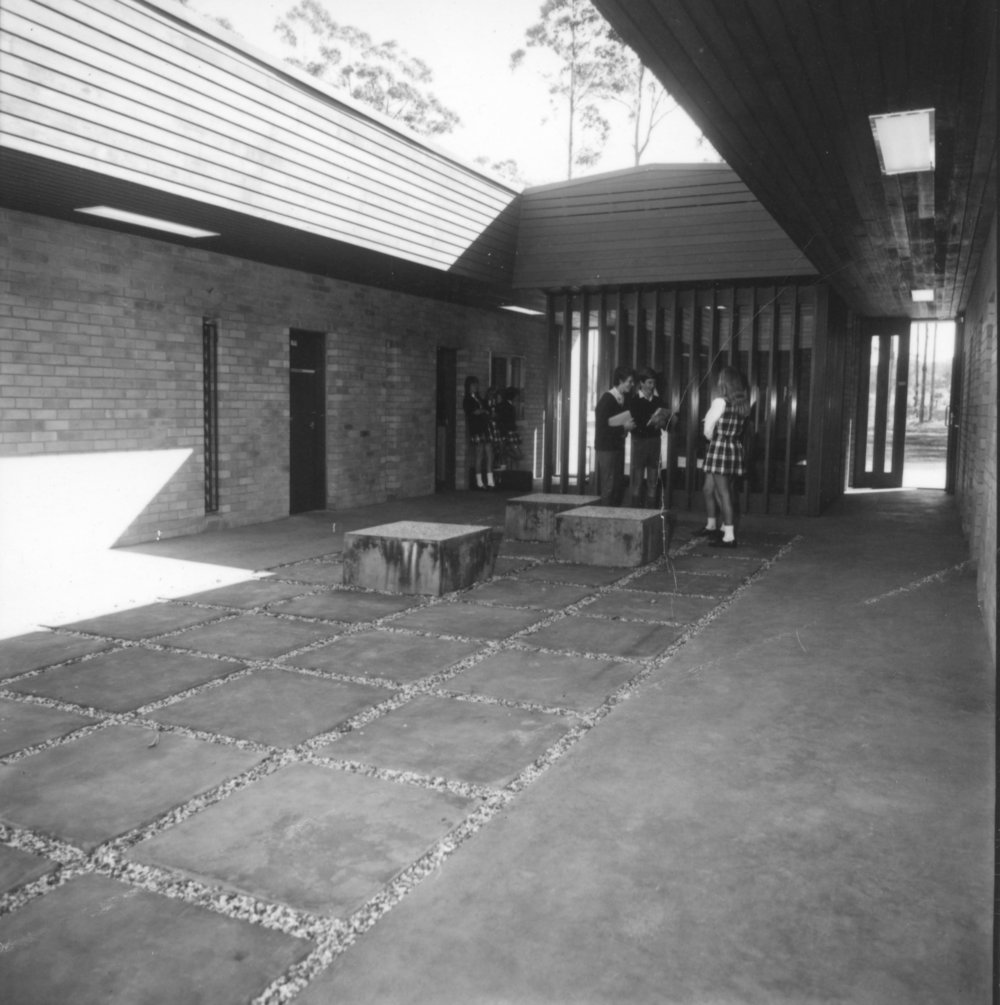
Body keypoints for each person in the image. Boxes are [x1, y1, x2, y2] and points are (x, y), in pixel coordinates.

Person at [696, 366, 751, 547]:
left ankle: (729, 536)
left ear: (724, 383)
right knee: (711, 488)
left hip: (719, 448)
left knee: (723, 493)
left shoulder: (720, 402)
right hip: (734, 448)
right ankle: (714, 526)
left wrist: (711, 433)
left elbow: (707, 430)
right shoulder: (742, 404)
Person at [628, 367, 672, 507]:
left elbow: (668, 425)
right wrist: (650, 422)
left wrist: (662, 422)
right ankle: (635, 514)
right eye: (649, 383)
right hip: (639, 443)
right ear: (641, 383)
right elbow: (633, 426)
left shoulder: (658, 401)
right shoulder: (633, 401)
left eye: (654, 383)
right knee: (637, 482)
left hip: (654, 443)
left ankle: (651, 514)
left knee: (653, 482)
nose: (652, 386)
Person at [594, 366, 636, 506]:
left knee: (617, 484)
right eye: (629, 381)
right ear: (620, 381)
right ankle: (606, 515)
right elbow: (602, 429)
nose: (632, 384)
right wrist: (624, 428)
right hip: (606, 449)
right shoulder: (607, 399)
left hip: (617, 447)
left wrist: (626, 428)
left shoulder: (624, 398)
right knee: (608, 485)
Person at [463, 375, 494, 489]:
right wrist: (483, 411)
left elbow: (487, 408)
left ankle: (490, 481)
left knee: (489, 452)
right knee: (479, 454)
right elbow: (473, 412)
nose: (475, 387)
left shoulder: (479, 398)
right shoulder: (467, 399)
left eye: (476, 384)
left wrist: (486, 408)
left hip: (485, 428)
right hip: (476, 429)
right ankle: (479, 482)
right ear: (468, 386)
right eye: (473, 385)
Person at [495, 386, 523, 468]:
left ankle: (504, 464)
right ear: (513, 396)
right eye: (517, 396)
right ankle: (505, 458)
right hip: (506, 432)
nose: (518, 398)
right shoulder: (507, 406)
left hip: (506, 432)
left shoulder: (507, 405)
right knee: (518, 455)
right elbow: (502, 420)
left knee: (505, 454)